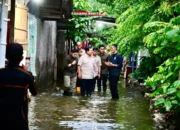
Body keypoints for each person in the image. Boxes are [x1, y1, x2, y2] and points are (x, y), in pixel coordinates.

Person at [0, 43, 37, 130]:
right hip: (19, 118)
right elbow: (34, 92)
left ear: (6, 56)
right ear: (21, 58)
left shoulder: (1, 73)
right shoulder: (27, 76)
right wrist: (27, 72)